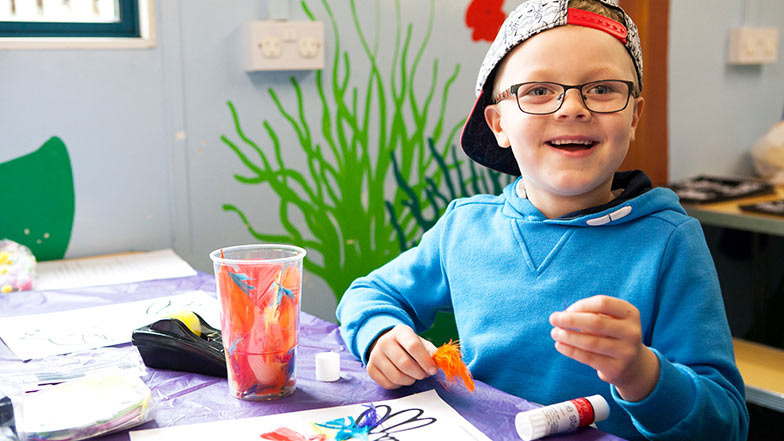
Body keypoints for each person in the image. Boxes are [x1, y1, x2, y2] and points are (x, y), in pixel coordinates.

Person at [336, 0, 749, 439]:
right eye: (538, 91)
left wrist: (643, 374)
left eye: (602, 89)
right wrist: (381, 335)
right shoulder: (465, 228)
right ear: (498, 124)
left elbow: (726, 424)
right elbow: (368, 294)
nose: (572, 108)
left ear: (634, 117)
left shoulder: (670, 242)